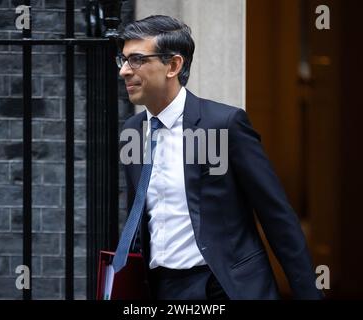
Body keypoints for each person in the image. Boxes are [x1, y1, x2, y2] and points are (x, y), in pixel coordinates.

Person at [114, 15, 323, 300]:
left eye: (137, 59)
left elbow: (276, 215)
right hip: (163, 288)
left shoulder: (224, 124)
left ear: (173, 65)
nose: (124, 71)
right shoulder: (133, 132)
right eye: (123, 60)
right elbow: (140, 216)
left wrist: (308, 293)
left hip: (224, 286)